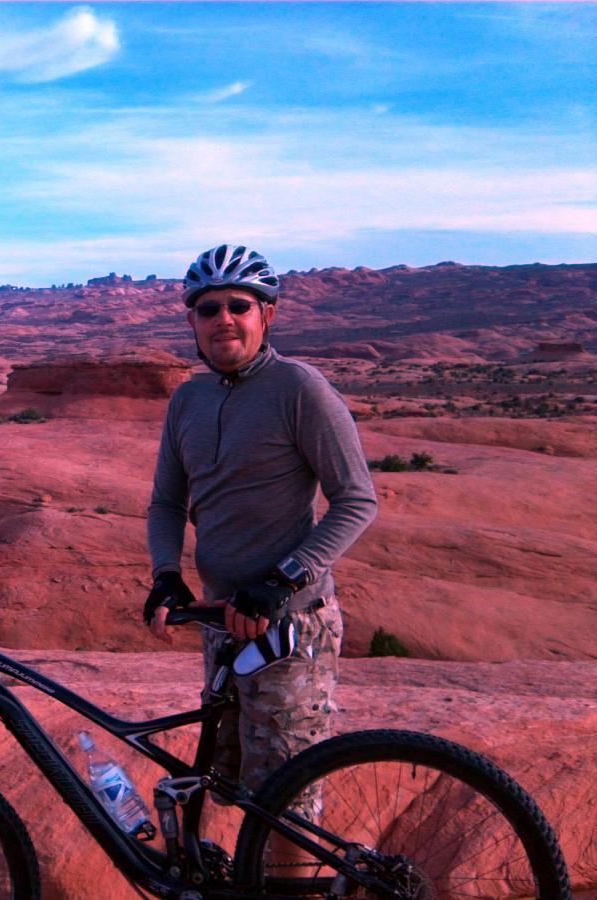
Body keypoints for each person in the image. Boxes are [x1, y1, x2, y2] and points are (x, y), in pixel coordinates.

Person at [142, 243, 377, 805]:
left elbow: (356, 501)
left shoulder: (299, 388)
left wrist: (282, 580)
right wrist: (165, 574)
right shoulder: (188, 400)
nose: (223, 318)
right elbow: (167, 504)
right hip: (224, 621)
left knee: (284, 796)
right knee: (228, 781)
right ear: (192, 321)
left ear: (266, 315)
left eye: (239, 306)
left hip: (288, 624)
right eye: (208, 308)